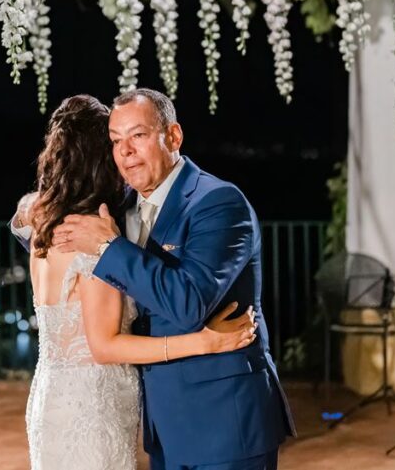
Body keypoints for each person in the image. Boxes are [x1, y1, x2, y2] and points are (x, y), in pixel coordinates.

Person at [44, 88, 295, 470]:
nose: (125, 151)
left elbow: (188, 302)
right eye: (115, 141)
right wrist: (39, 219)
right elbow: (56, 230)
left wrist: (110, 247)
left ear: (173, 137)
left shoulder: (219, 203)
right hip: (163, 427)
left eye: (138, 136)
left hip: (225, 424)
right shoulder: (120, 207)